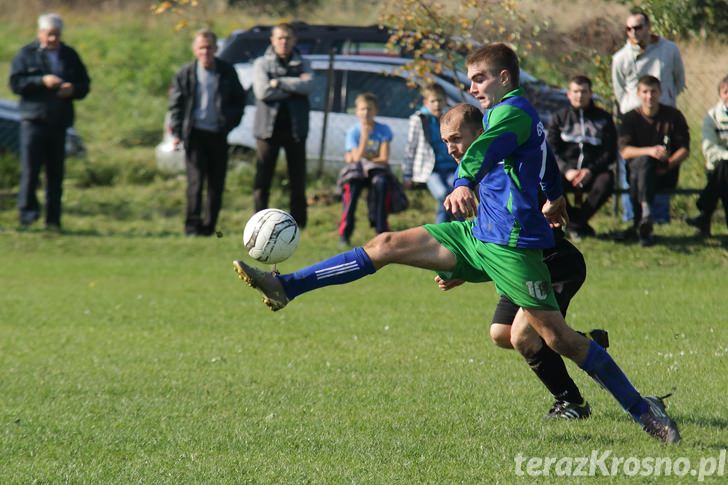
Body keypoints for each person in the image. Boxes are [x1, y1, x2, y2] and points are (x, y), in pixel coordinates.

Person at [233, 43, 680, 443]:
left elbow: (483, 150)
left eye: (479, 78)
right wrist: (554, 193)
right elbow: (540, 158)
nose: (472, 87)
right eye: (470, 80)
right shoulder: (514, 117)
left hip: (511, 246)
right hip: (477, 235)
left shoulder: (511, 114)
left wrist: (464, 181)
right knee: (387, 242)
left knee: (555, 339)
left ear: (504, 77)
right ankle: (287, 286)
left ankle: (645, 412)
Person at [434, 105, 608, 420]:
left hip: (554, 263)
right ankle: (586, 343)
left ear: (480, 134)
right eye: (446, 141)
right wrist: (465, 269)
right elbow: (493, 245)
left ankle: (572, 402)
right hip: (521, 269)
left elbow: (523, 223)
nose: (451, 148)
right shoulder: (479, 177)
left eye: (457, 138)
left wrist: (552, 203)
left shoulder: (506, 166)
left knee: (525, 336)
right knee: (501, 333)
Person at [9, 13, 90, 231]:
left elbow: (84, 84)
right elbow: (16, 83)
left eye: (56, 35)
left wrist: (72, 89)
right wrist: (41, 81)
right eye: (49, 34)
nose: (53, 39)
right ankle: (27, 216)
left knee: (56, 173)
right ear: (40, 33)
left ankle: (53, 220)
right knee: (30, 171)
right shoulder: (26, 54)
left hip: (59, 122)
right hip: (33, 121)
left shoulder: (70, 55)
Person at [169, 29, 245, 237]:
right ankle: (192, 227)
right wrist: (177, 132)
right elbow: (176, 105)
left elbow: (239, 102)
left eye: (209, 47)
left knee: (216, 184)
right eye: (202, 47)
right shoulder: (186, 73)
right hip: (194, 135)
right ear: (195, 50)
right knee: (195, 183)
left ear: (216, 49)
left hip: (218, 134)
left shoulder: (226, 71)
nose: (206, 51)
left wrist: (228, 124)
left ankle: (209, 227)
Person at [252, 23, 314, 229]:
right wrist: (295, 85)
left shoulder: (303, 62)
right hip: (268, 130)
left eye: (288, 38)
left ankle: (299, 224)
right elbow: (262, 92)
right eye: (279, 38)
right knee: (263, 179)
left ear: (294, 40)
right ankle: (259, 223)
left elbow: (309, 86)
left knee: (297, 179)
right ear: (272, 40)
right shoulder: (261, 64)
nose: (284, 42)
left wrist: (278, 83)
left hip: (296, 130)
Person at [619, 75, 690, 246]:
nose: (649, 96)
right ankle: (646, 221)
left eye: (653, 92)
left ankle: (643, 219)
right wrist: (650, 151)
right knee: (644, 163)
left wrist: (669, 162)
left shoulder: (673, 116)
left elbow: (685, 150)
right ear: (638, 93)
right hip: (638, 173)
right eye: (645, 92)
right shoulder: (630, 118)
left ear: (660, 93)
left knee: (643, 169)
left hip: (665, 173)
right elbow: (625, 152)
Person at [547, 75, 617, 239]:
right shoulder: (559, 118)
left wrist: (590, 170)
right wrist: (566, 170)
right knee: (546, 180)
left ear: (591, 93)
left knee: (607, 180)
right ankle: (577, 224)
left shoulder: (604, 118)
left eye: (584, 91)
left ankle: (574, 224)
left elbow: (610, 152)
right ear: (568, 94)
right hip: (566, 172)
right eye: (576, 91)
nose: (580, 95)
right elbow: (551, 150)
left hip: (593, 171)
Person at [338, 93, 394, 245]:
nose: (366, 113)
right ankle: (345, 233)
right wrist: (364, 136)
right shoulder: (353, 132)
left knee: (381, 183)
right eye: (362, 109)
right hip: (357, 172)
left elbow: (383, 159)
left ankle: (381, 230)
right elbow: (355, 159)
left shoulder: (384, 130)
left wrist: (363, 158)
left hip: (376, 171)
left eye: (369, 109)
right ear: (356, 111)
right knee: (352, 185)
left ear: (375, 111)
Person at [612, 8, 685, 117]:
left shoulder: (670, 49)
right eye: (629, 29)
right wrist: (630, 105)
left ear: (648, 27)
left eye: (638, 28)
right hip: (634, 115)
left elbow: (679, 80)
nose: (633, 32)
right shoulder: (620, 57)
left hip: (665, 111)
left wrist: (667, 96)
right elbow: (619, 89)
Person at [402, 83, 458, 223]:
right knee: (443, 194)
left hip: (451, 167)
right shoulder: (419, 119)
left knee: (456, 192)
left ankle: (458, 229)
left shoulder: (449, 118)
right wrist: (407, 174)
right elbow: (411, 147)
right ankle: (442, 231)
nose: (437, 104)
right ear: (426, 102)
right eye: (433, 101)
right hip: (431, 170)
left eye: (440, 100)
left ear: (445, 101)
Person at [686, 74, 728, 238]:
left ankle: (704, 210)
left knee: (723, 175)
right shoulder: (712, 116)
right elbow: (709, 147)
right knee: (724, 170)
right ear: (720, 95)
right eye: (726, 92)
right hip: (717, 165)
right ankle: (704, 217)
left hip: (720, 172)